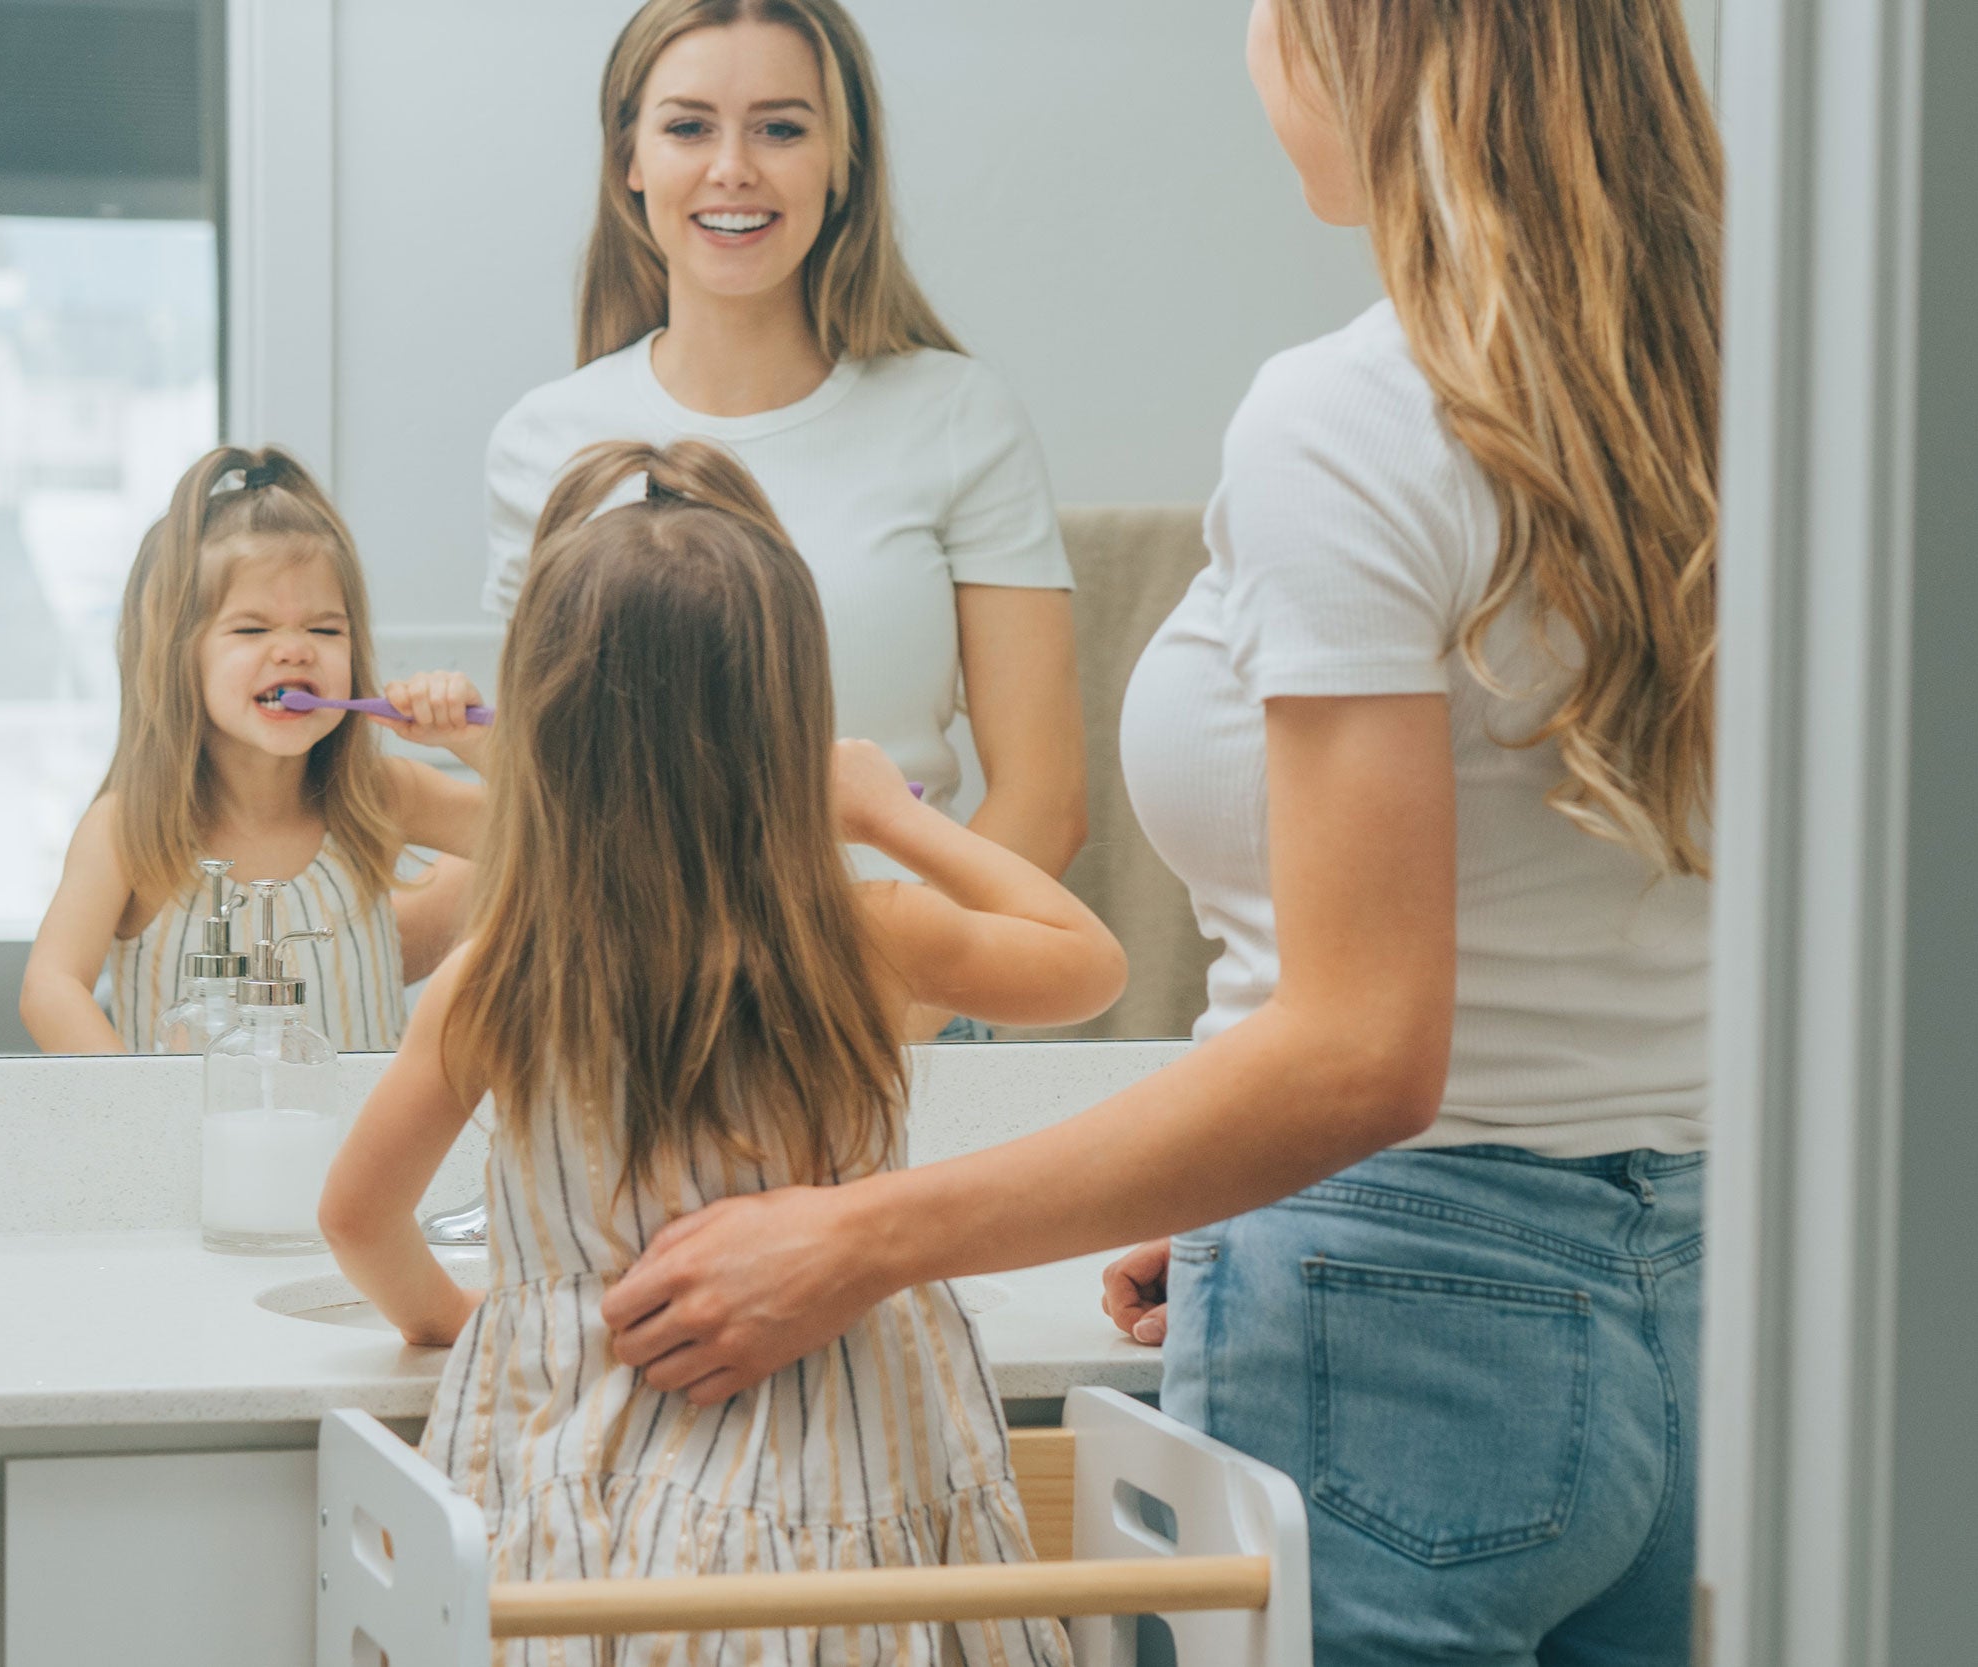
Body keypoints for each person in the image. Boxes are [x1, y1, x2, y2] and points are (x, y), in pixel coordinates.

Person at [596, 2, 1723, 1660]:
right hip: (1711, 1297)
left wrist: (857, 1237)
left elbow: (1365, 1058)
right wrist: (1227, 1172)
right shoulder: (1732, 398)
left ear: (1359, 44)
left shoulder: (1354, 423)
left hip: (1394, 1313)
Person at [319, 439, 1125, 1667]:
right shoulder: (861, 934)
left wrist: (463, 1316)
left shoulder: (505, 972)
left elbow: (356, 1217)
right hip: (846, 1540)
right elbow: (1085, 959)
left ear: (542, 721)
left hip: (596, 1557)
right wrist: (886, 814)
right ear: (792, 716)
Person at [483, 0, 1087, 981]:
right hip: (635, 1011)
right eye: (687, 126)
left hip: (899, 1013)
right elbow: (542, 793)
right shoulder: (543, 442)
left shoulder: (959, 415)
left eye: (781, 127)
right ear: (628, 159)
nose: (733, 167)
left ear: (842, 162)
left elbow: (1044, 801)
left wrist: (864, 1036)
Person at [21, 445, 491, 1054]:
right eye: (252, 628)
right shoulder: (127, 827)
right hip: (190, 1149)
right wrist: (138, 1118)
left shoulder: (384, 794)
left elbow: (562, 836)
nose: (295, 649)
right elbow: (51, 987)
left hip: (361, 1150)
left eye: (325, 629)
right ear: (176, 657)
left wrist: (478, 743)